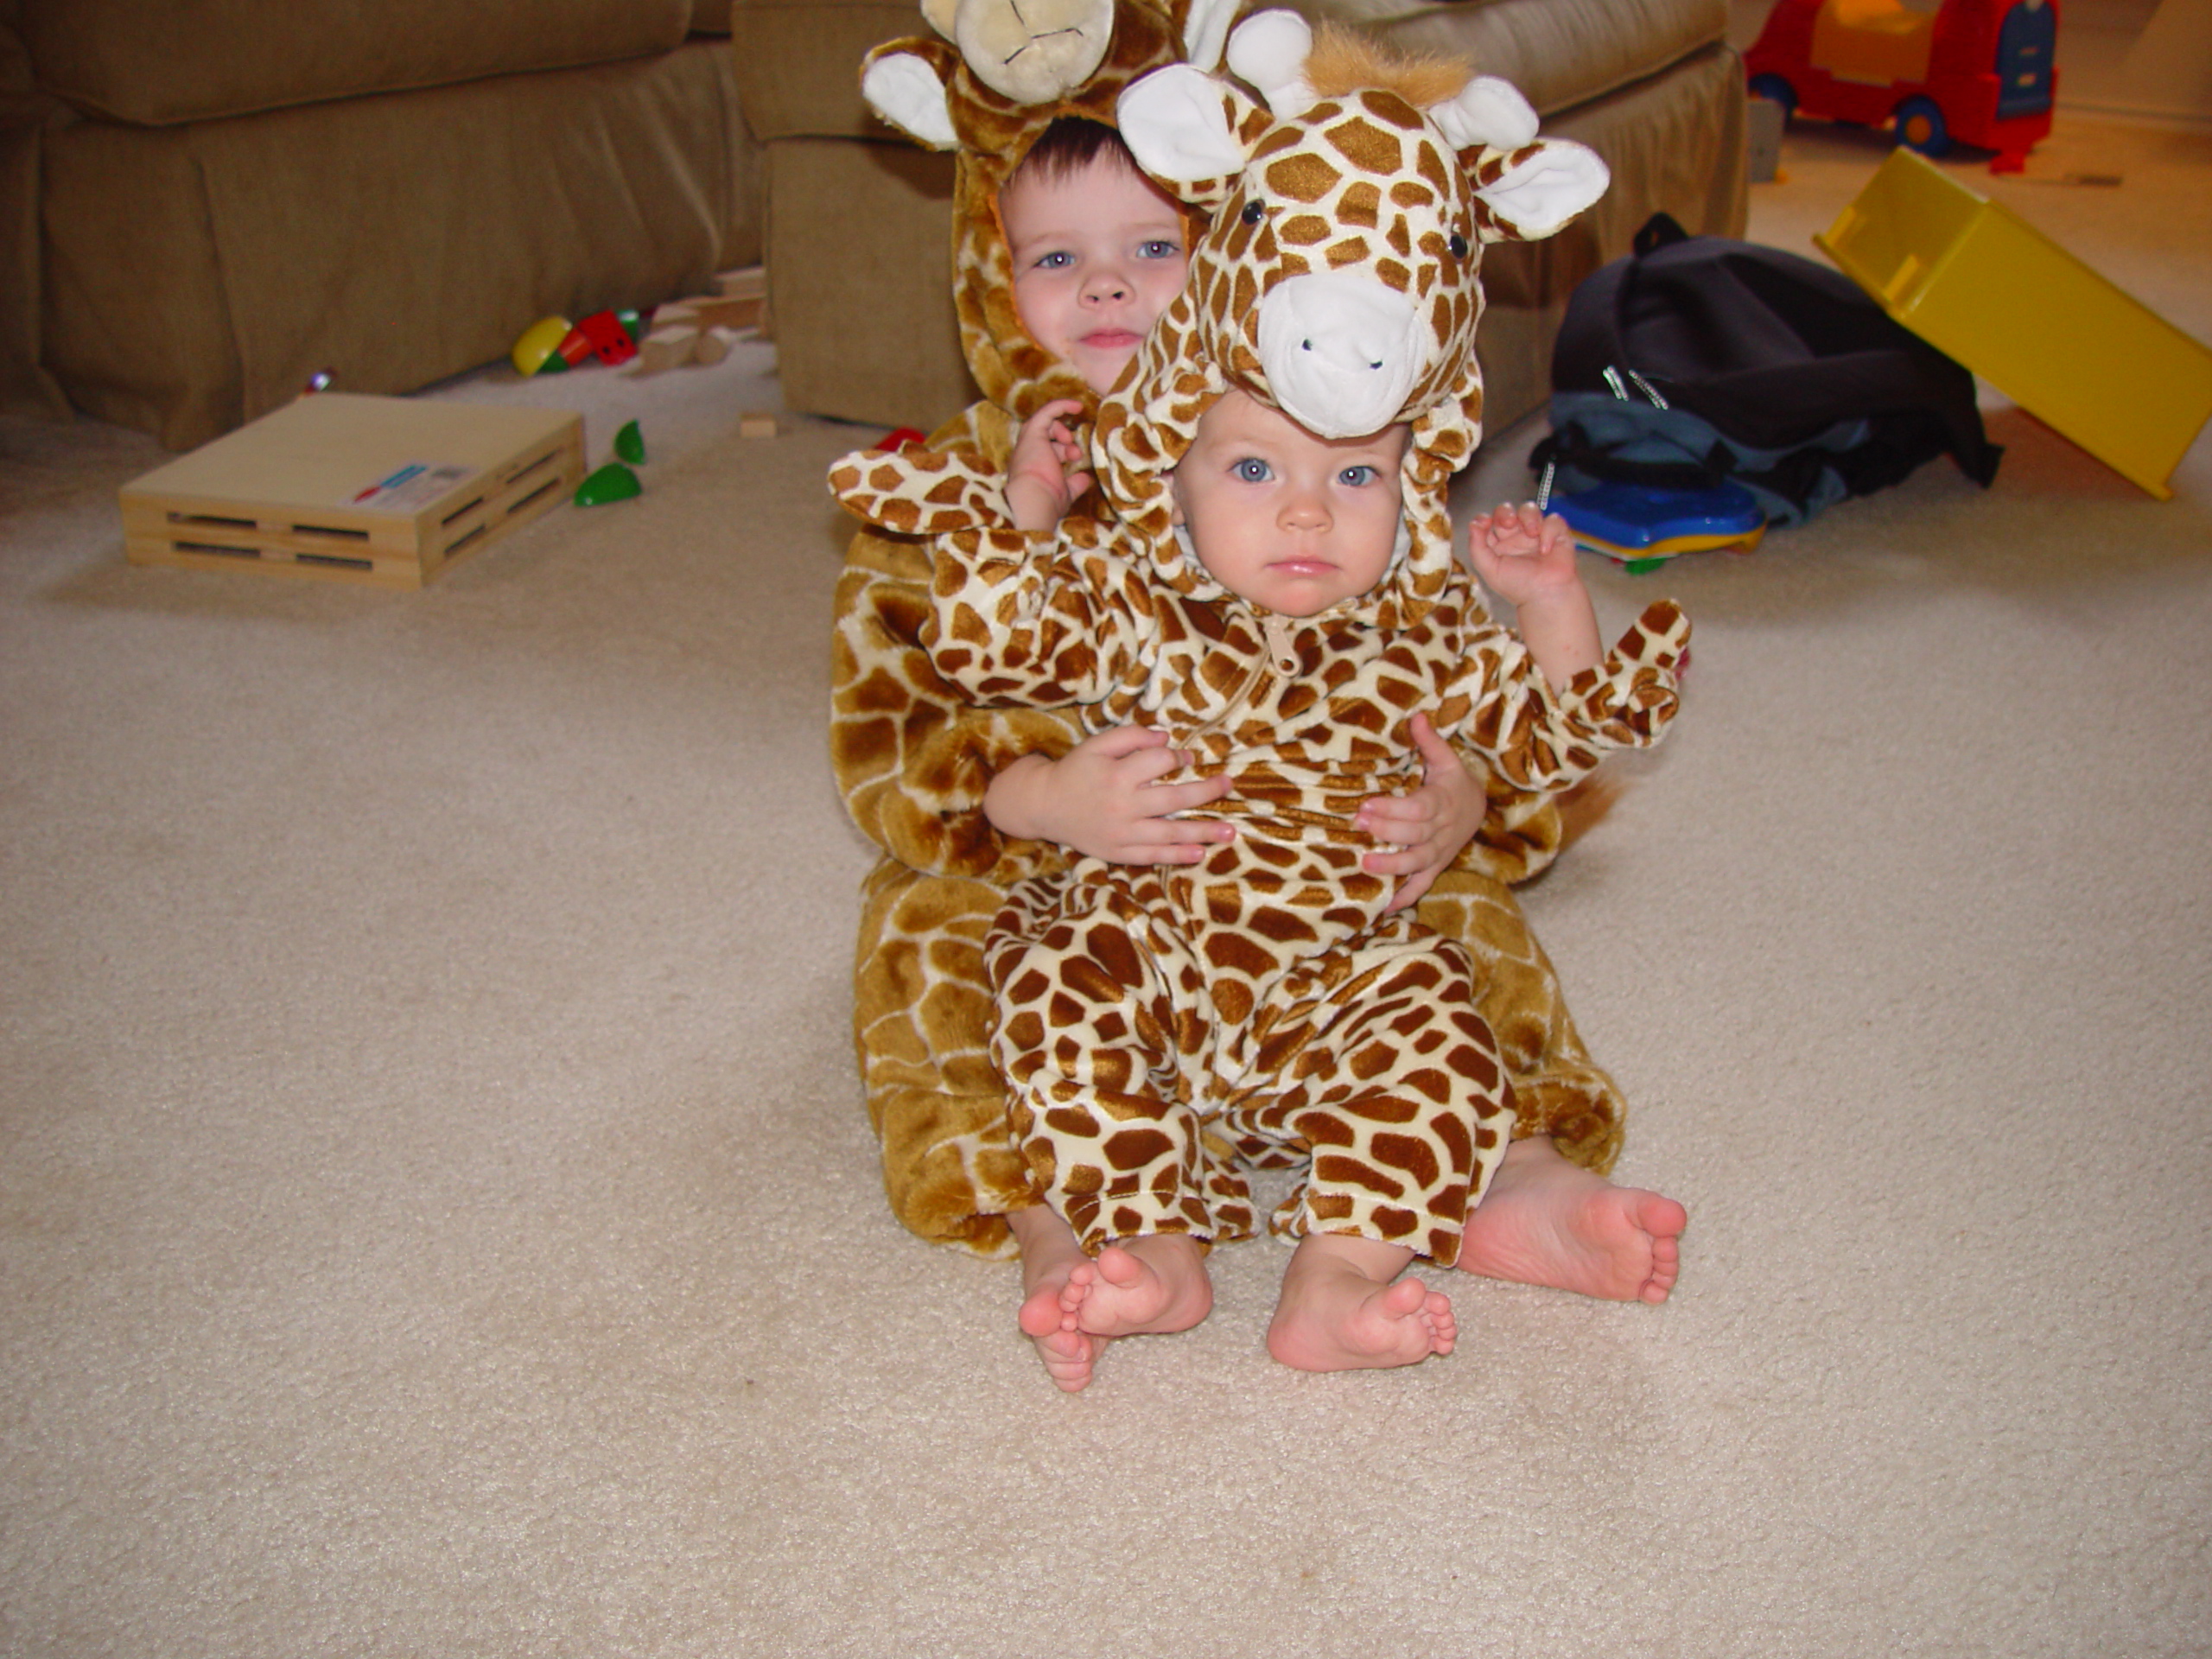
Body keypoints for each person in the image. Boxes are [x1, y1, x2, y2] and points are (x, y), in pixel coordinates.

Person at [830, 109, 1681, 1395]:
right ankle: (1068, 1223)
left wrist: (1462, 803)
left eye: (1157, 245)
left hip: (1327, 899)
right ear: (984, 278)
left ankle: (1498, 1177)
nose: (1108, 286)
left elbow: (1492, 700)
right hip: (1039, 873)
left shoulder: (1335, 435)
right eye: (1051, 260)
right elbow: (900, 740)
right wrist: (1048, 797)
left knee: (1460, 936)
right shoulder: (966, 486)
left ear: (1237, 253)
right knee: (934, 951)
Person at [916, 378, 1689, 1376]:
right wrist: (1029, 505)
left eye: (1357, 474)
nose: (1307, 510)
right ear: (1169, 486)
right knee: (1047, 980)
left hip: (1332, 976)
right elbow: (993, 641)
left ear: (1411, 492)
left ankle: (1335, 1279)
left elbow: (1555, 737)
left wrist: (1549, 599)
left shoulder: (1422, 624)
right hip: (1147, 954)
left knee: (1437, 1015)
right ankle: (1149, 1237)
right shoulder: (1139, 592)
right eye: (1251, 469)